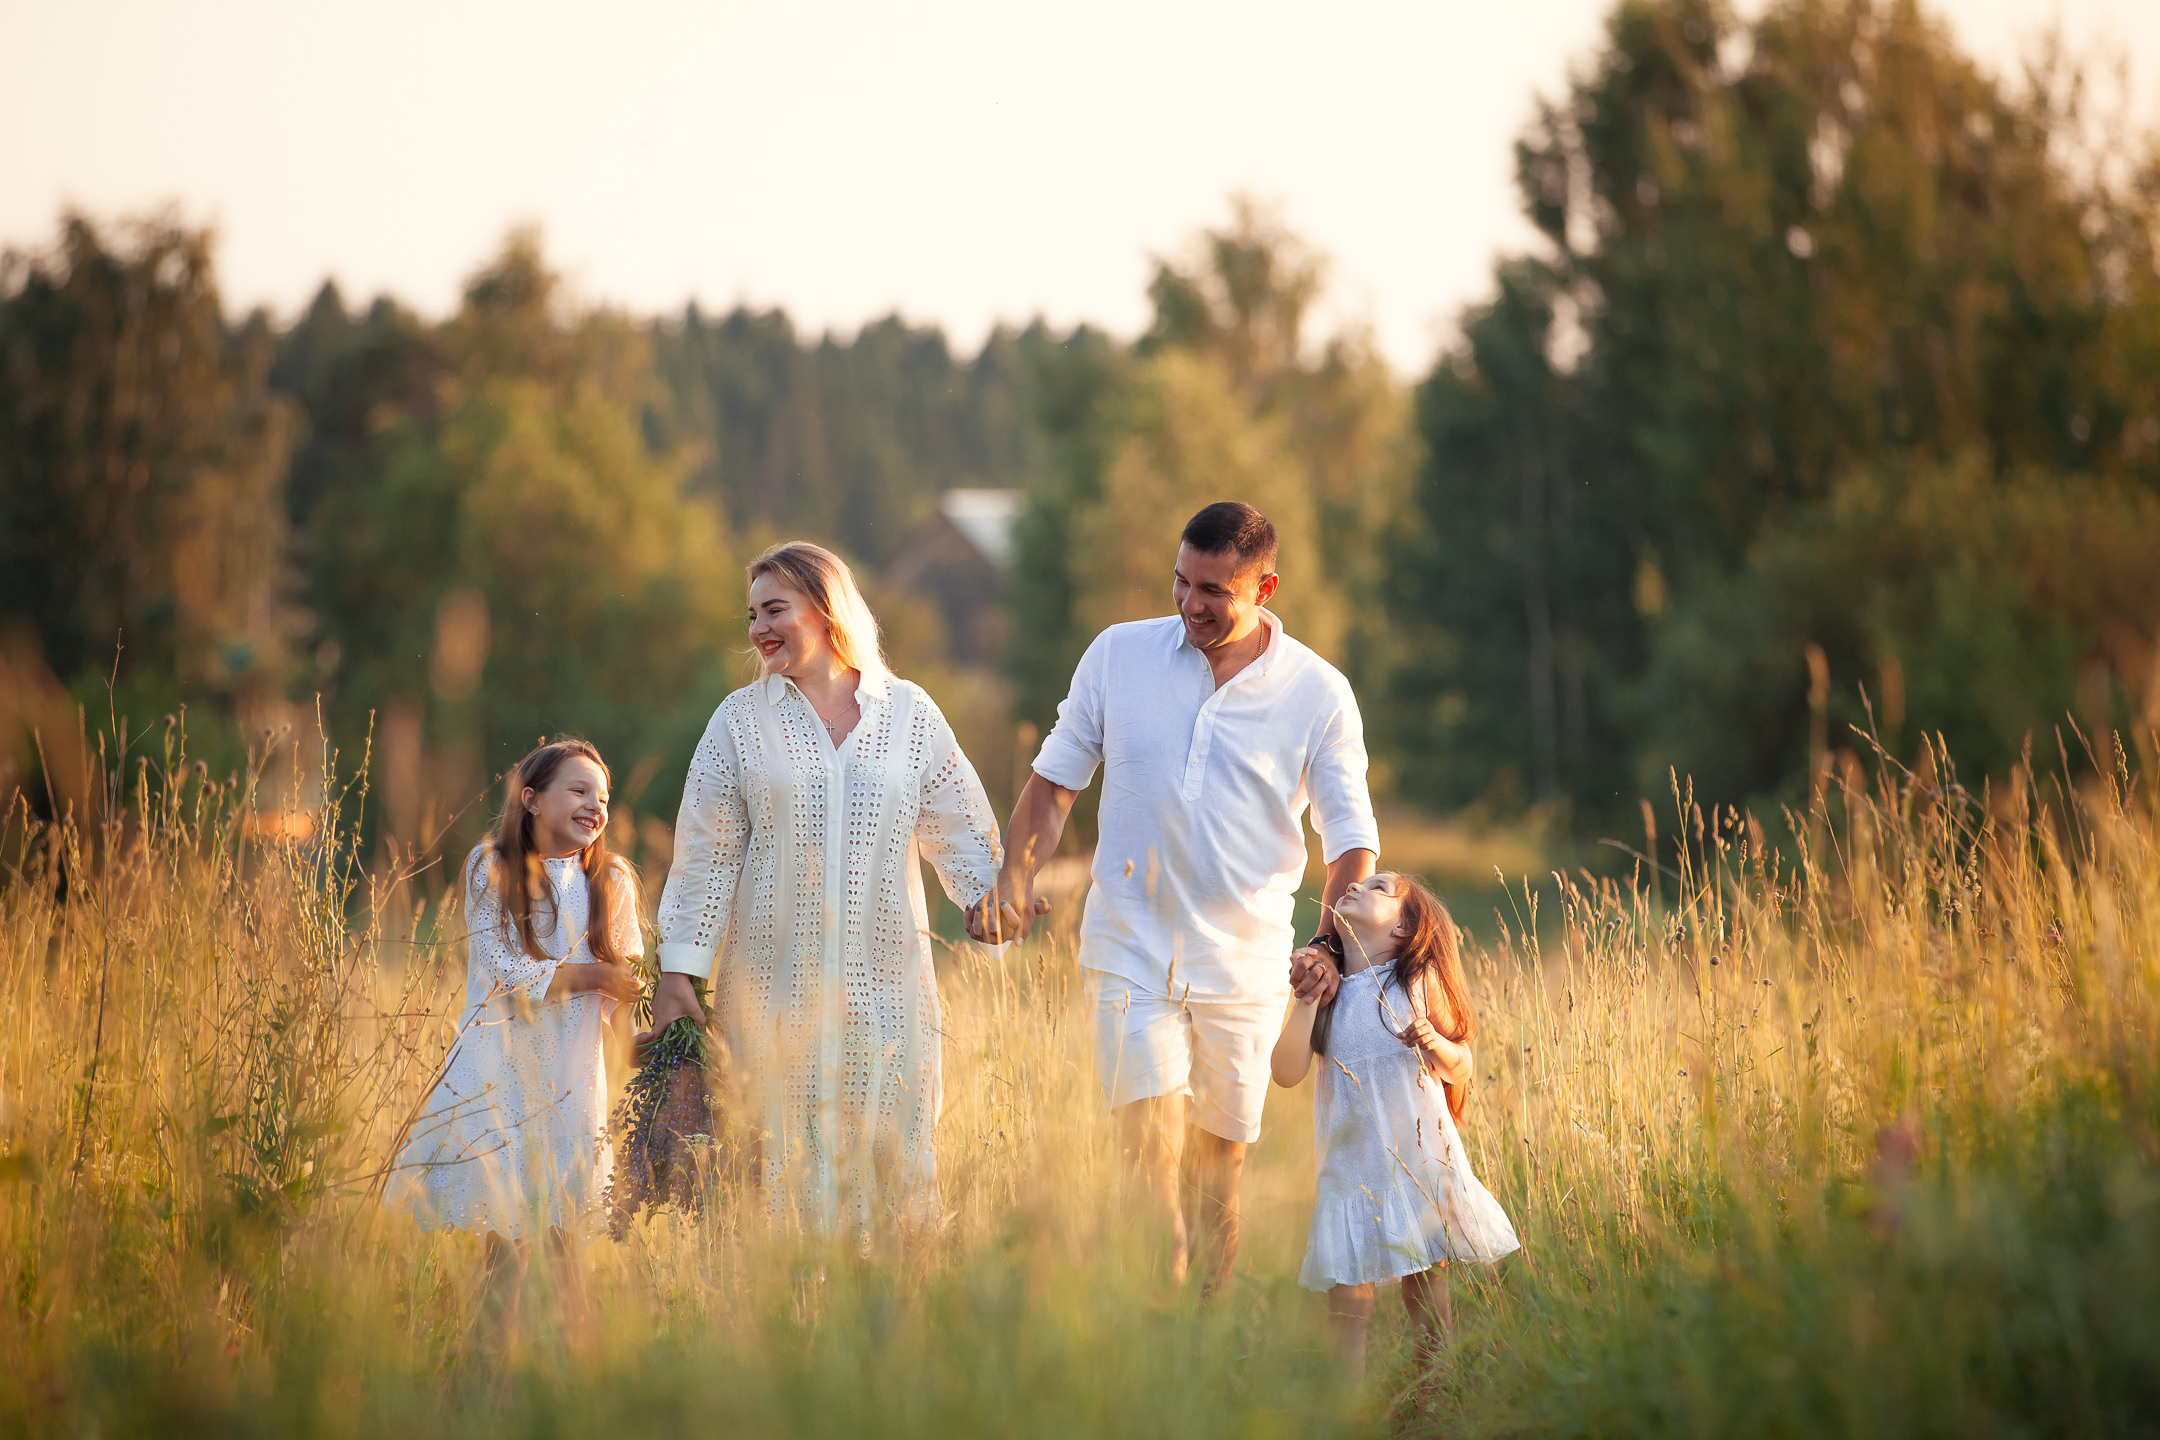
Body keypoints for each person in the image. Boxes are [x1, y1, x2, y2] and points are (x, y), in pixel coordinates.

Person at [969, 500, 1379, 1293]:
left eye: (1214, 591)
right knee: (1146, 1151)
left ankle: (1204, 1342)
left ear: (1265, 588)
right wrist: (1012, 881)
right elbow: (1054, 787)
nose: (1191, 603)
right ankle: (1160, 1313)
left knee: (1215, 1174)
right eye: (1181, 583)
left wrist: (1329, 951)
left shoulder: (1320, 694)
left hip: (1247, 966)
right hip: (1130, 945)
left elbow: (1352, 846)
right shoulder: (1118, 655)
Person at [639, 541, 1003, 1234]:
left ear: (827, 607)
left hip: (890, 994)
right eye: (751, 616)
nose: (757, 630)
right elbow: (705, 857)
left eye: (774, 609)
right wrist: (679, 969)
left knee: (888, 1166)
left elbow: (963, 832)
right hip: (772, 996)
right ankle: (782, 1323)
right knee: (773, 1172)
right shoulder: (739, 722)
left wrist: (992, 907)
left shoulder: (910, 713)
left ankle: (877, 1328)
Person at [387, 739, 646, 1322]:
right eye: (578, 791)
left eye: (603, 797)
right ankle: (489, 1353)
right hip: (499, 1072)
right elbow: (505, 971)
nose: (594, 806)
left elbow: (624, 988)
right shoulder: (493, 867)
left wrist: (632, 1039)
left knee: (562, 1232)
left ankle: (560, 1356)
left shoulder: (614, 881)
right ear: (531, 799)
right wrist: (594, 975)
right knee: (504, 1233)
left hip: (570, 1079)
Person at [1270, 871, 1519, 1381]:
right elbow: (1285, 1072)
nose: (1358, 884)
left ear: (1403, 929)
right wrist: (1303, 1001)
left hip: (1416, 1161)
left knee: (1426, 1287)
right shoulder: (1328, 991)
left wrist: (1435, 1044)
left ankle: (1436, 1393)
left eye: (1380, 888)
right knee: (1349, 1302)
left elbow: (1461, 1065)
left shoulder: (1415, 981)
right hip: (1349, 1169)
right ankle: (1350, 1413)